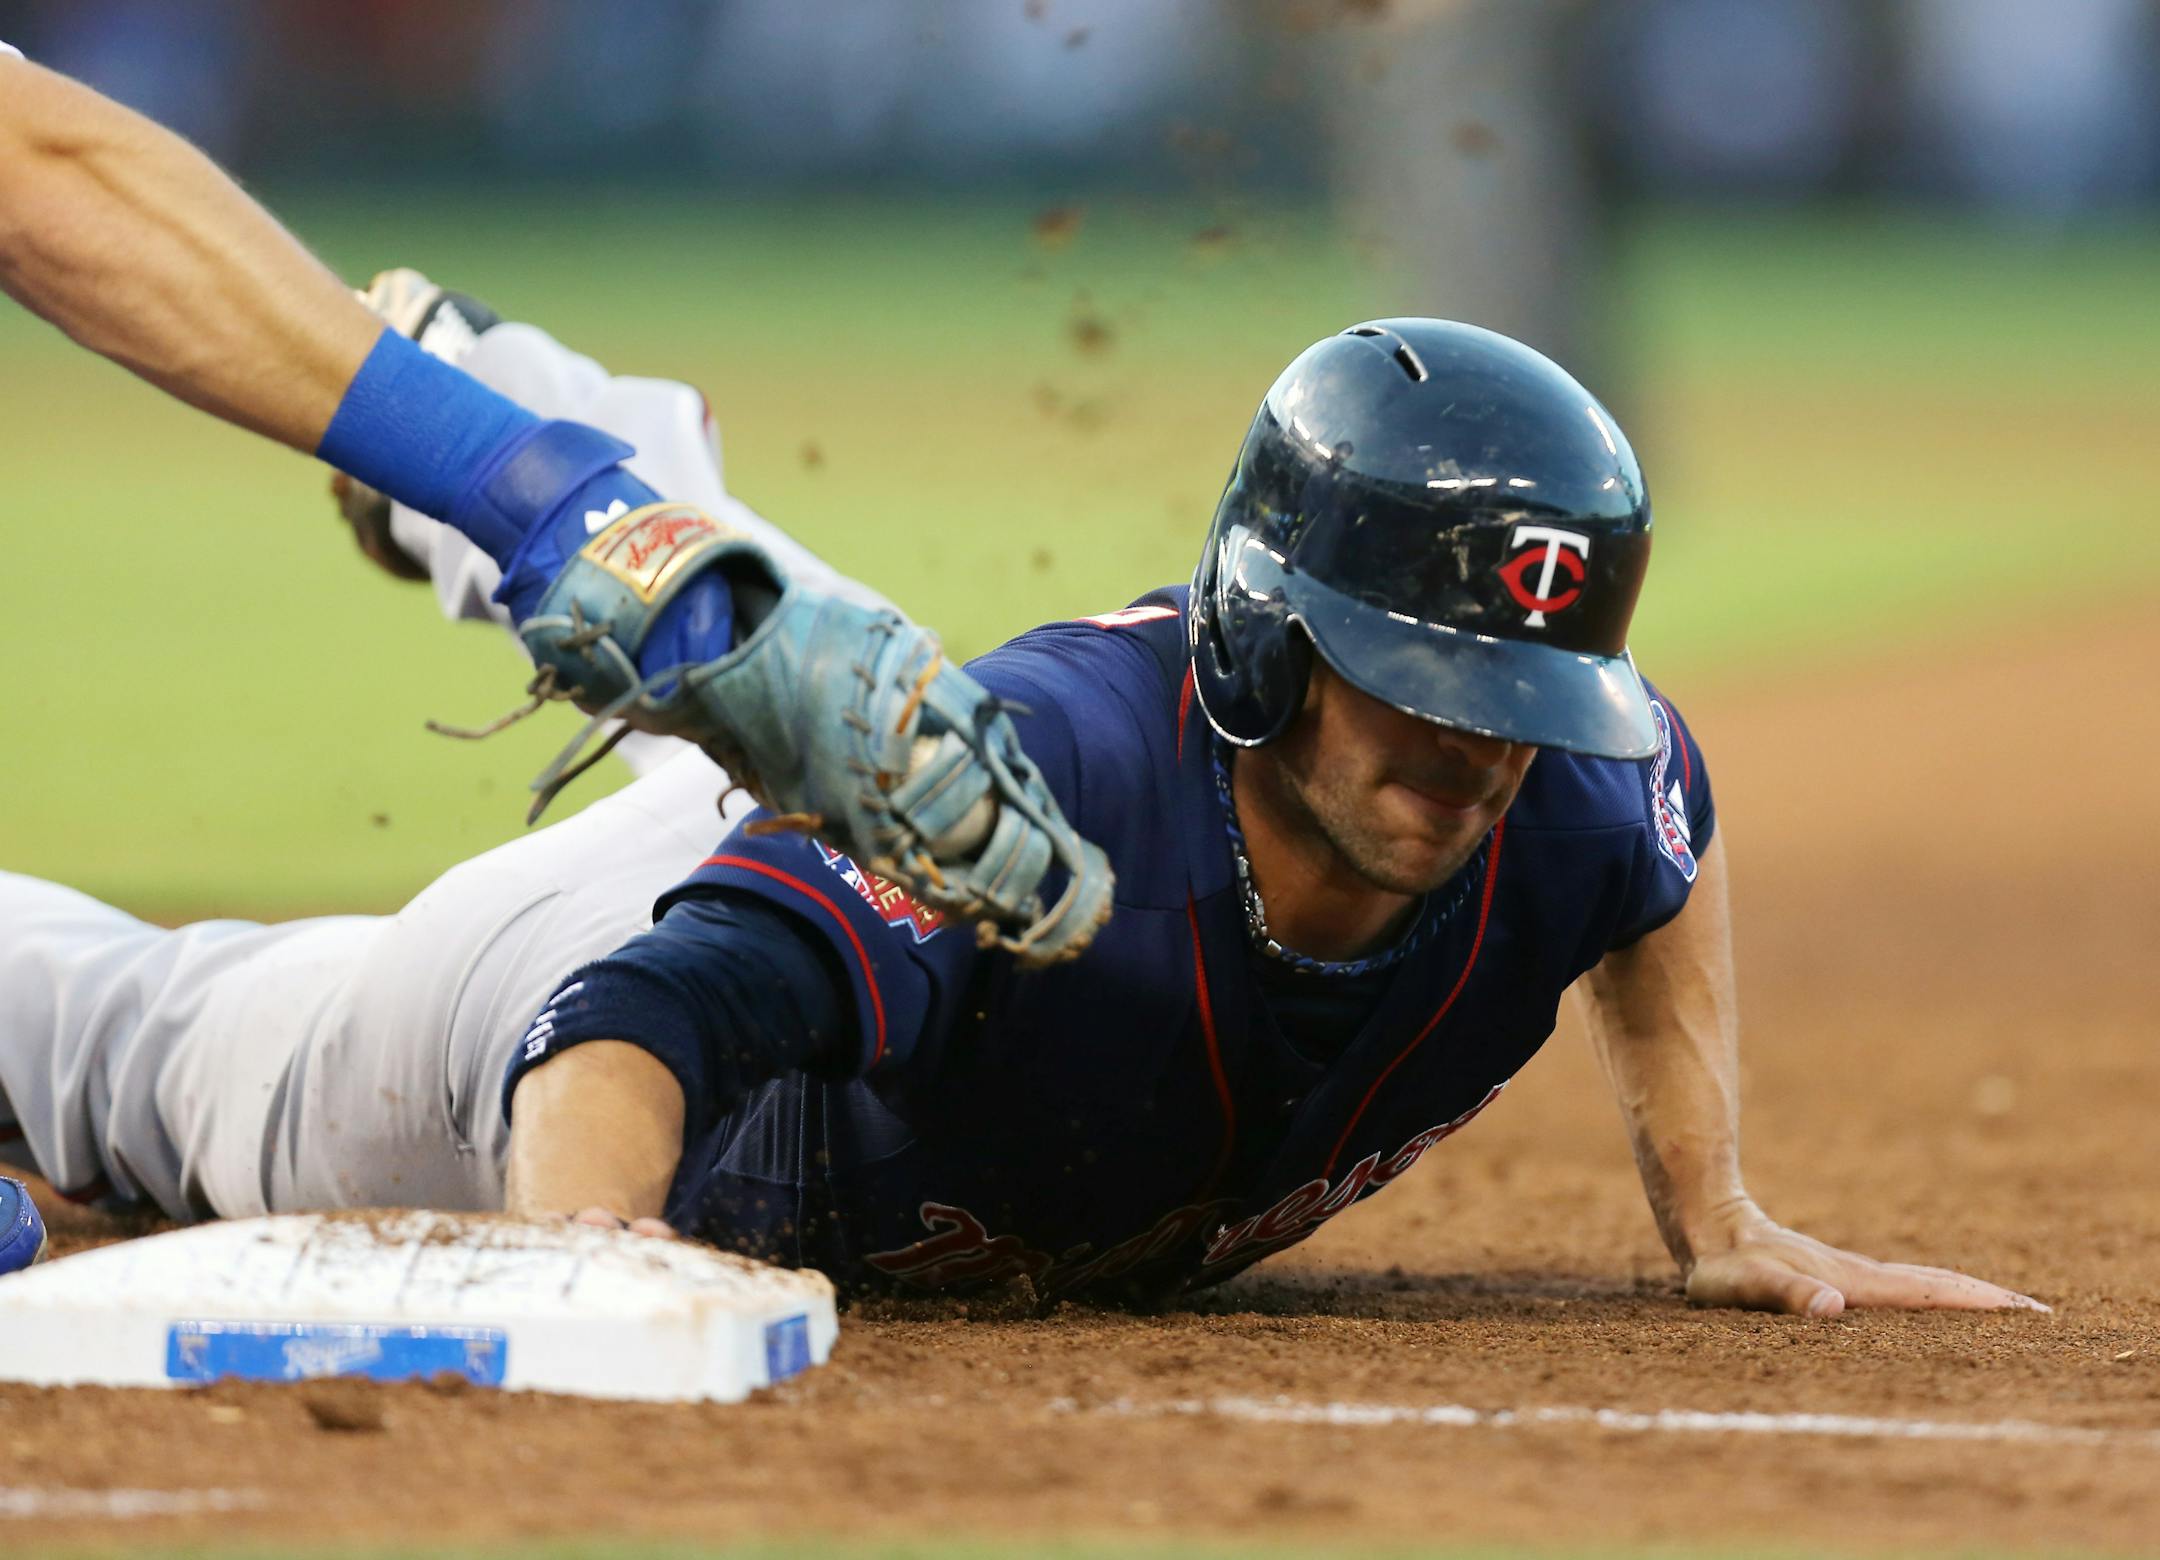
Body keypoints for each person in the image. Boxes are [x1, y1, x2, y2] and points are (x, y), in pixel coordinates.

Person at [0, 46, 2041, 1318]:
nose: (1478, 746)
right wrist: (586, 1269)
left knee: (870, 708)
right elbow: (631, 1017)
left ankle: (556, 443)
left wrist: (1721, 1210)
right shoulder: (1069, 793)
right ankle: (530, 458)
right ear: (1268, 638)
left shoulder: (1564, 783)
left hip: (910, 801)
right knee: (159, 1062)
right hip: (568, 985)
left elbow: (1656, 826)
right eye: (1419, 683)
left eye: (1522, 698)